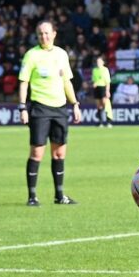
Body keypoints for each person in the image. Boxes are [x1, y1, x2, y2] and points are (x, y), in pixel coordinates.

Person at [18, 20, 82, 207]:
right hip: (39, 108)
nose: (44, 37)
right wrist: (22, 107)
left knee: (59, 154)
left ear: (54, 33)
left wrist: (75, 104)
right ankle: (32, 196)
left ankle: (60, 195)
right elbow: (24, 82)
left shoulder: (62, 54)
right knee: (37, 153)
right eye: (40, 34)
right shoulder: (31, 55)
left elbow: (67, 82)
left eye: (47, 33)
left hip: (60, 108)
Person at [91, 55, 112, 127]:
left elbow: (108, 82)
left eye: (99, 61)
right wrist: (94, 83)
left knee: (105, 104)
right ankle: (100, 122)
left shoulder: (105, 70)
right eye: (97, 62)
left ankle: (108, 122)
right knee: (98, 106)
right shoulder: (94, 70)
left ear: (103, 62)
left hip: (103, 88)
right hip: (97, 89)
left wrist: (107, 91)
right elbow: (94, 80)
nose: (98, 63)